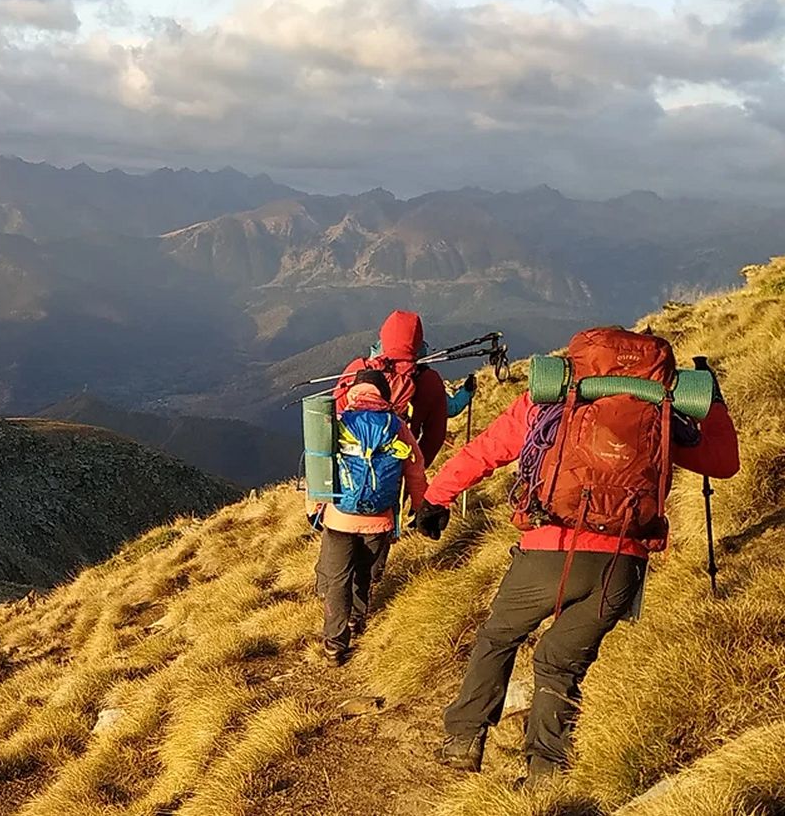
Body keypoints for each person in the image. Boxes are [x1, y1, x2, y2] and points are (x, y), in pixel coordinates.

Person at [411, 327, 740, 783]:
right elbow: (724, 463)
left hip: (550, 547)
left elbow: (485, 452)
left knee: (499, 638)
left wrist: (436, 500)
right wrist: (716, 404)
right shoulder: (659, 411)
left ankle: (464, 738)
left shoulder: (552, 401)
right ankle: (546, 771)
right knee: (560, 663)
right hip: (621, 562)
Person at [317, 369, 427, 665]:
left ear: (354, 392)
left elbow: (319, 464)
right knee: (364, 571)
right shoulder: (396, 426)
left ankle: (334, 645)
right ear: (384, 395)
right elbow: (415, 469)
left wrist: (315, 506)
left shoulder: (339, 423)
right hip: (380, 518)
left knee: (337, 580)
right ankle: (356, 619)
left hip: (340, 516)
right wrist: (420, 507)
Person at [333, 311, 457, 469]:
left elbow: (334, 415)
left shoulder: (358, 370)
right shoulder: (429, 381)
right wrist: (414, 470)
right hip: (397, 467)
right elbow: (434, 437)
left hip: (350, 466)